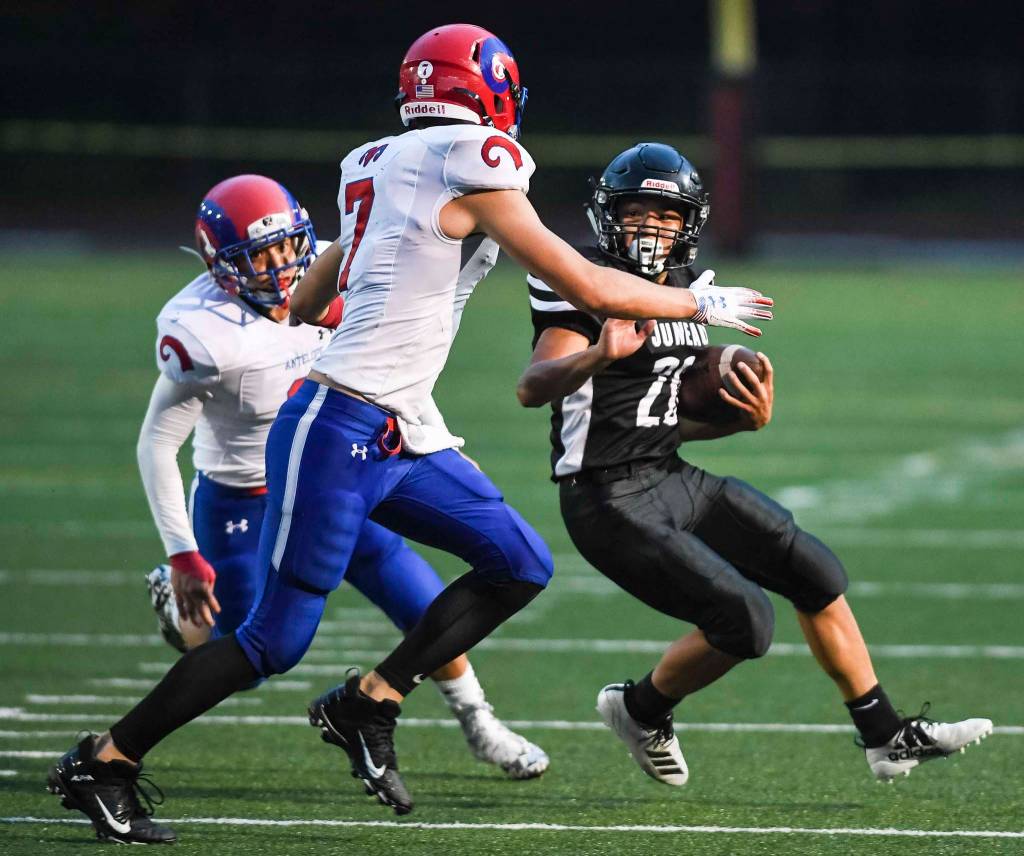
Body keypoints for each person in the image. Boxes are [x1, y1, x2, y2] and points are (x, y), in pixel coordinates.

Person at [47, 26, 772, 843]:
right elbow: (586, 281)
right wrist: (704, 303)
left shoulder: (375, 161)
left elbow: (307, 297)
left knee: (518, 563)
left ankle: (371, 701)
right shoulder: (475, 159)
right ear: (489, 93)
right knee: (271, 642)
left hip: (398, 424)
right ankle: (104, 762)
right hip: (341, 422)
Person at [516, 141, 993, 788]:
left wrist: (739, 420)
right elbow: (534, 384)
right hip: (605, 498)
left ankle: (885, 735)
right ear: (610, 213)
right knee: (745, 622)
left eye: (667, 215)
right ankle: (638, 710)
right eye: (638, 211)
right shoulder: (584, 279)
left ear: (690, 224)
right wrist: (596, 356)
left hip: (666, 472)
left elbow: (658, 418)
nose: (652, 226)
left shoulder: (686, 288)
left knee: (813, 570)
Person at [136, 173, 549, 785]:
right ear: (219, 261)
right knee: (251, 655)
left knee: (424, 604)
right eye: (261, 255)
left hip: (338, 471)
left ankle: (481, 724)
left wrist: (439, 446)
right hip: (243, 496)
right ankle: (182, 613)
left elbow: (386, 377)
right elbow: (157, 443)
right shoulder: (203, 333)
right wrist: (182, 554)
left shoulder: (341, 266)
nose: (281, 267)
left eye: (287, 247)